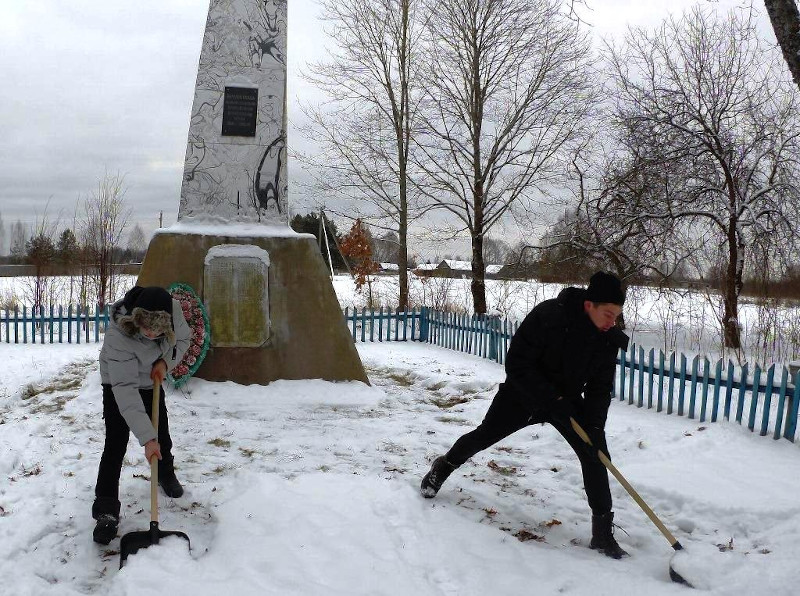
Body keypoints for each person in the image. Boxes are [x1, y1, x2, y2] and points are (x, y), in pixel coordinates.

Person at [420, 271, 630, 559]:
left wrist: (594, 426)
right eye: (608, 314)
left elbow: (599, 389)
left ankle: (603, 534)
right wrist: (550, 397)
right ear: (588, 305)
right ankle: (443, 467)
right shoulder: (549, 317)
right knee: (484, 436)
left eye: (616, 316)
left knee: (596, 453)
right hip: (523, 394)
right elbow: (517, 364)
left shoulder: (607, 340)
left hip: (567, 403)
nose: (612, 322)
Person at [92, 285, 191, 545]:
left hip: (150, 379)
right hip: (117, 381)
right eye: (146, 328)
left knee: (162, 435)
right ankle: (106, 510)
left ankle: (165, 473)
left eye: (157, 331)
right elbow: (124, 391)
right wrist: (146, 440)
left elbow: (182, 340)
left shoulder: (173, 311)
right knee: (116, 441)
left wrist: (165, 363)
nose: (150, 334)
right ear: (136, 318)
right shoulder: (119, 335)